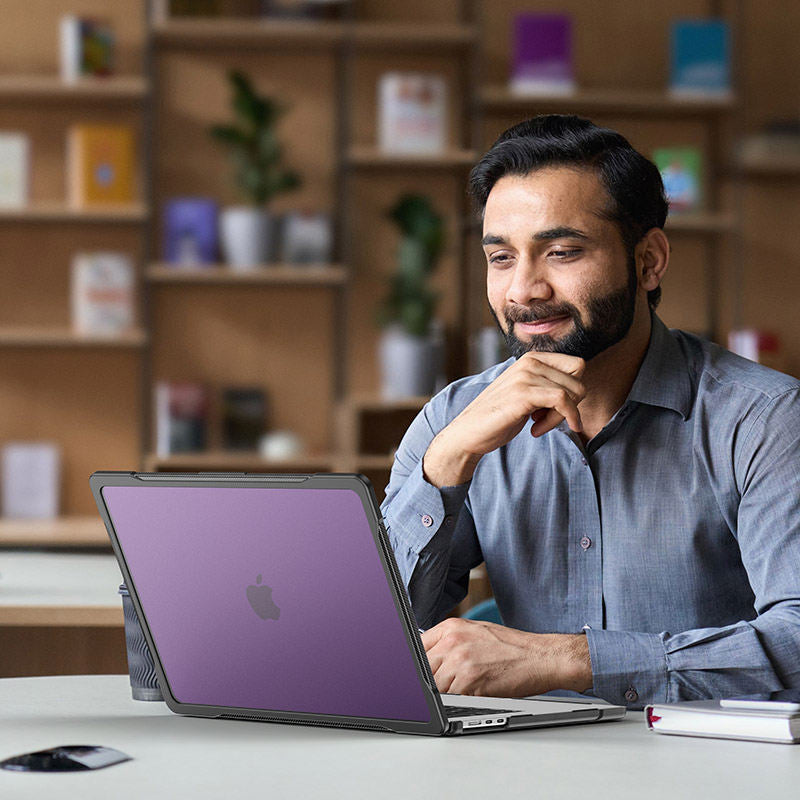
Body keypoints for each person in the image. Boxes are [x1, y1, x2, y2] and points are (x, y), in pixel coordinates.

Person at [380, 114, 800, 709]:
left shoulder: (765, 421)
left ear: (649, 260)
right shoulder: (455, 417)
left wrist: (568, 659)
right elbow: (370, 640)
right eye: (501, 258)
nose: (524, 290)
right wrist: (445, 464)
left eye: (562, 251)